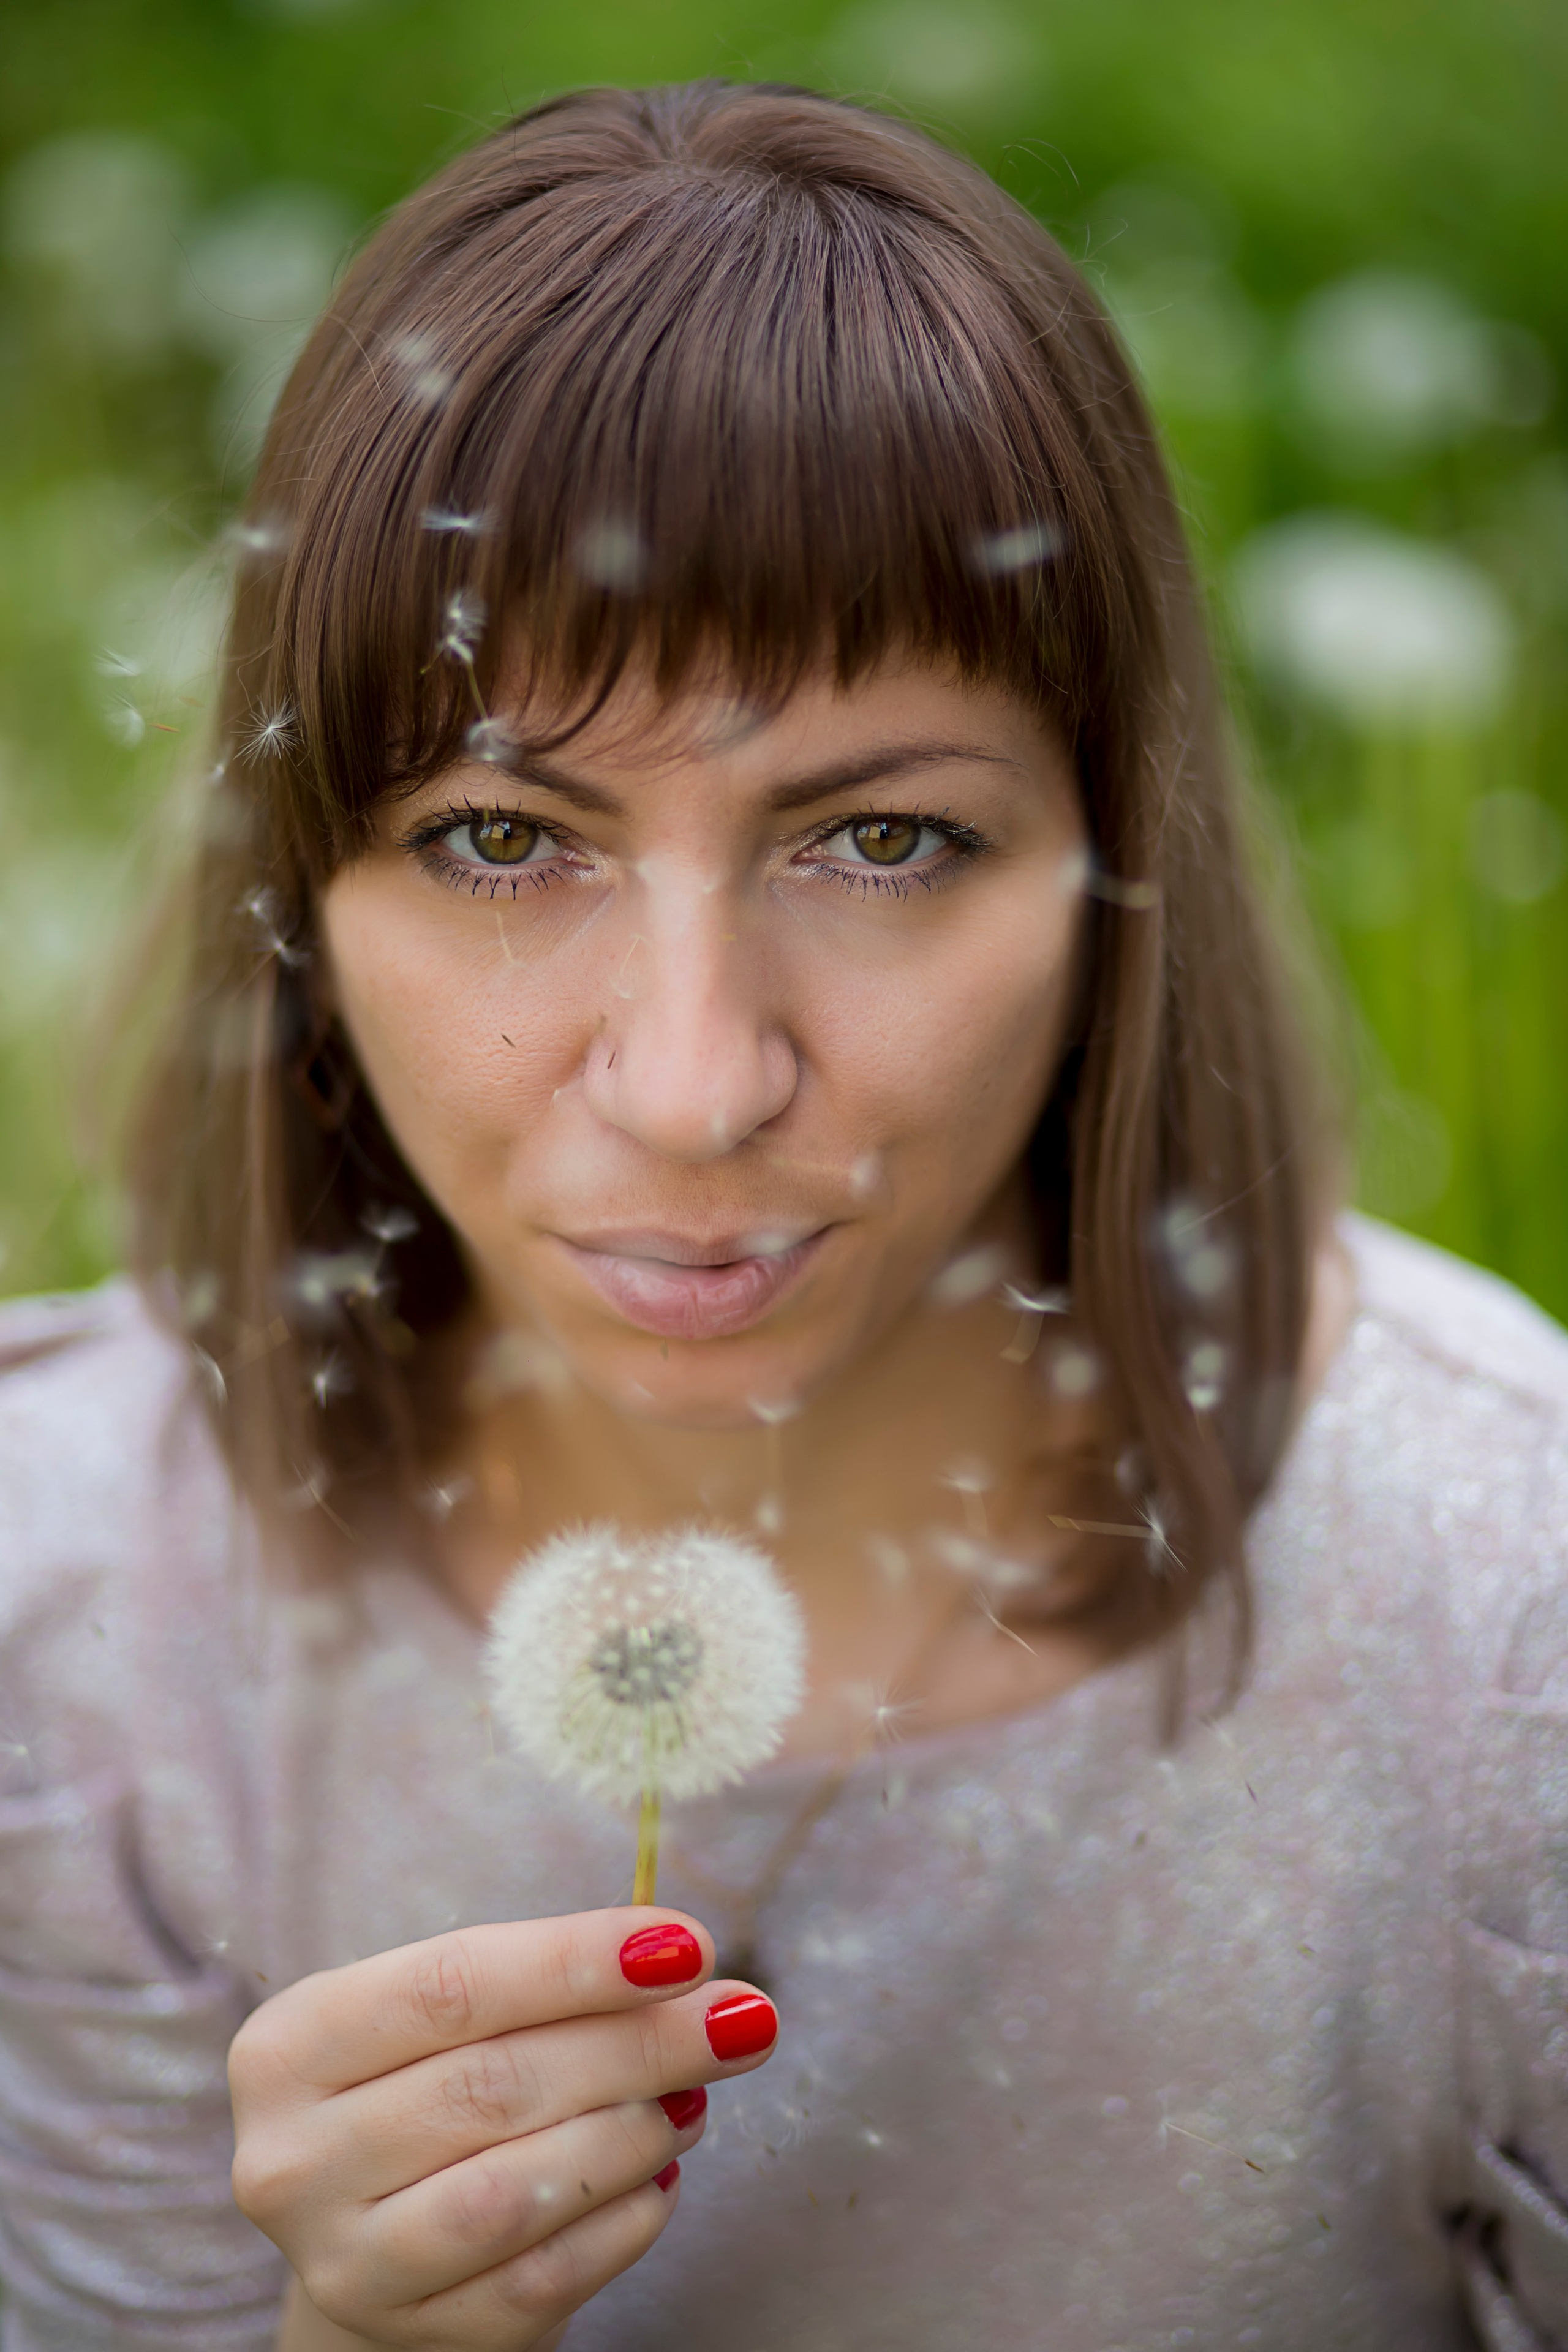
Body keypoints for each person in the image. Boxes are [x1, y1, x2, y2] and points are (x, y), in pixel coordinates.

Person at [1, 78, 1564, 2352]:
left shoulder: (1509, 1630)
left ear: (1122, 880)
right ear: (301, 902)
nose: (702, 1081)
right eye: (499, 840)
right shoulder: (71, 1629)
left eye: (888, 840)